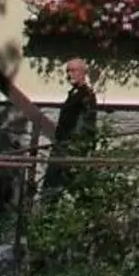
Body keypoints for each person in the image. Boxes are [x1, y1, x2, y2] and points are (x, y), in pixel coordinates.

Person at [42, 55, 98, 194]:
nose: (69, 75)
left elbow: (86, 122)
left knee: (67, 185)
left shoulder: (86, 95)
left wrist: (74, 146)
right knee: (51, 185)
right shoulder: (74, 93)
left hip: (70, 148)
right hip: (62, 145)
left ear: (83, 73)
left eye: (73, 71)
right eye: (67, 71)